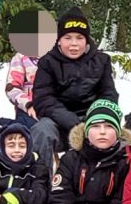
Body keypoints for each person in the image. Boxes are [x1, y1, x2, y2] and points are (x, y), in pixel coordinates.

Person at [32, 11, 119, 156]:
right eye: (68, 38)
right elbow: (43, 98)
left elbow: (108, 94)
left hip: (93, 120)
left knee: (112, 135)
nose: (74, 44)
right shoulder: (47, 62)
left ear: (87, 40)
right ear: (59, 40)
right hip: (58, 122)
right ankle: (40, 170)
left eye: (79, 38)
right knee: (42, 130)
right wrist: (70, 120)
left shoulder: (102, 61)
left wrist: (93, 119)